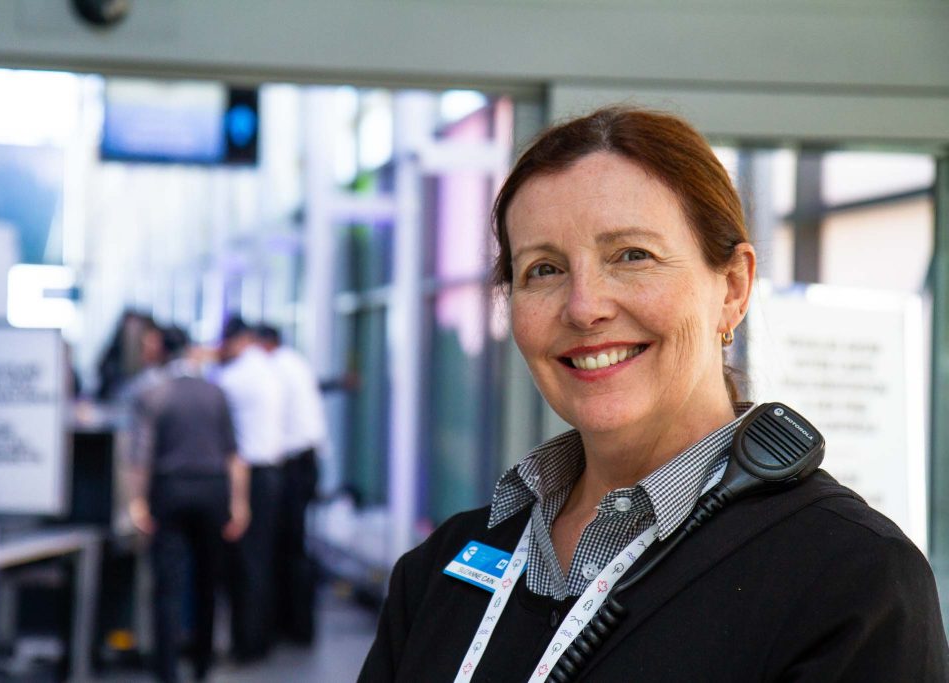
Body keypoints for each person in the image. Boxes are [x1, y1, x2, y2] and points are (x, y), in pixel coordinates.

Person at [358, 106, 949, 682]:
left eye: (631, 256)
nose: (585, 307)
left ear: (733, 289)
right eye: (543, 269)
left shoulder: (852, 580)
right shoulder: (444, 565)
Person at [128, 327, 250, 683]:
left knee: (167, 588)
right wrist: (240, 504)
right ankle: (202, 665)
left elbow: (142, 455)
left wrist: (137, 502)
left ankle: (166, 672)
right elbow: (234, 455)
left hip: (169, 491)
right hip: (213, 491)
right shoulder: (216, 393)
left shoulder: (153, 394)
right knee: (208, 584)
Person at [214, 316, 286, 661]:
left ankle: (247, 644)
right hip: (273, 472)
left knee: (245, 563)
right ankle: (261, 638)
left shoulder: (235, 377)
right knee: (263, 560)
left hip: (250, 476)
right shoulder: (270, 369)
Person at [255, 323, 327, 645]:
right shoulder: (295, 362)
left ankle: (295, 627)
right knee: (294, 545)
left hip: (294, 465)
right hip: (307, 461)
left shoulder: (276, 369)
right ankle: (296, 625)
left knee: (288, 547)